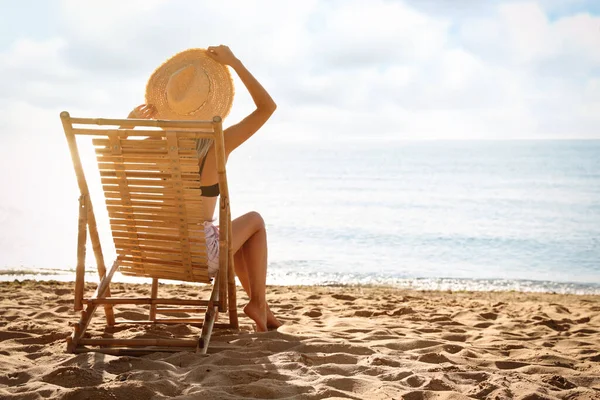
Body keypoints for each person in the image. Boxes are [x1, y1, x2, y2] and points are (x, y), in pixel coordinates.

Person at [127, 45, 281, 332]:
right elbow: (267, 108)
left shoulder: (156, 146)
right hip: (196, 255)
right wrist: (235, 62)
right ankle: (259, 303)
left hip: (153, 250)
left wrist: (128, 126)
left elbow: (110, 153)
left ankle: (263, 308)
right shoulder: (217, 143)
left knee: (230, 236)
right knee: (254, 222)